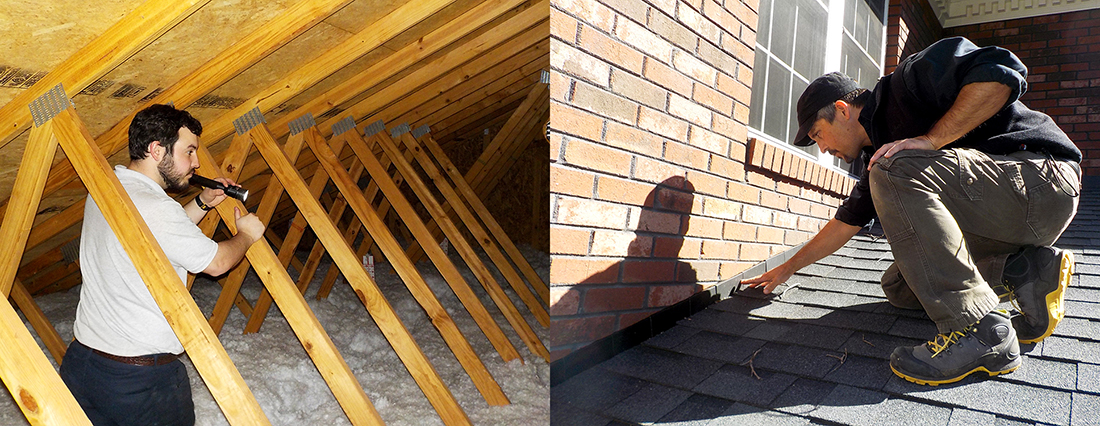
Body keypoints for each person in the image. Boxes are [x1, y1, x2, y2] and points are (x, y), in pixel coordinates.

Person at [742, 37, 1081, 385]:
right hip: (1005, 215)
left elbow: (1002, 70)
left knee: (892, 167)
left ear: (842, 110)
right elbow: (845, 223)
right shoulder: (883, 160)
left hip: (1041, 182)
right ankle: (1023, 269)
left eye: (818, 135)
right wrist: (786, 268)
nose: (824, 149)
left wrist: (932, 140)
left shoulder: (906, 86)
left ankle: (980, 331)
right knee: (900, 286)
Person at [59, 104, 266, 425]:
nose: (196, 163)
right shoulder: (156, 206)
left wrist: (202, 202)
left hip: (83, 362)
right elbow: (216, 263)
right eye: (189, 151)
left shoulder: (107, 190)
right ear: (156, 150)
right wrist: (247, 235)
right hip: (139, 381)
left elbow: (153, 238)